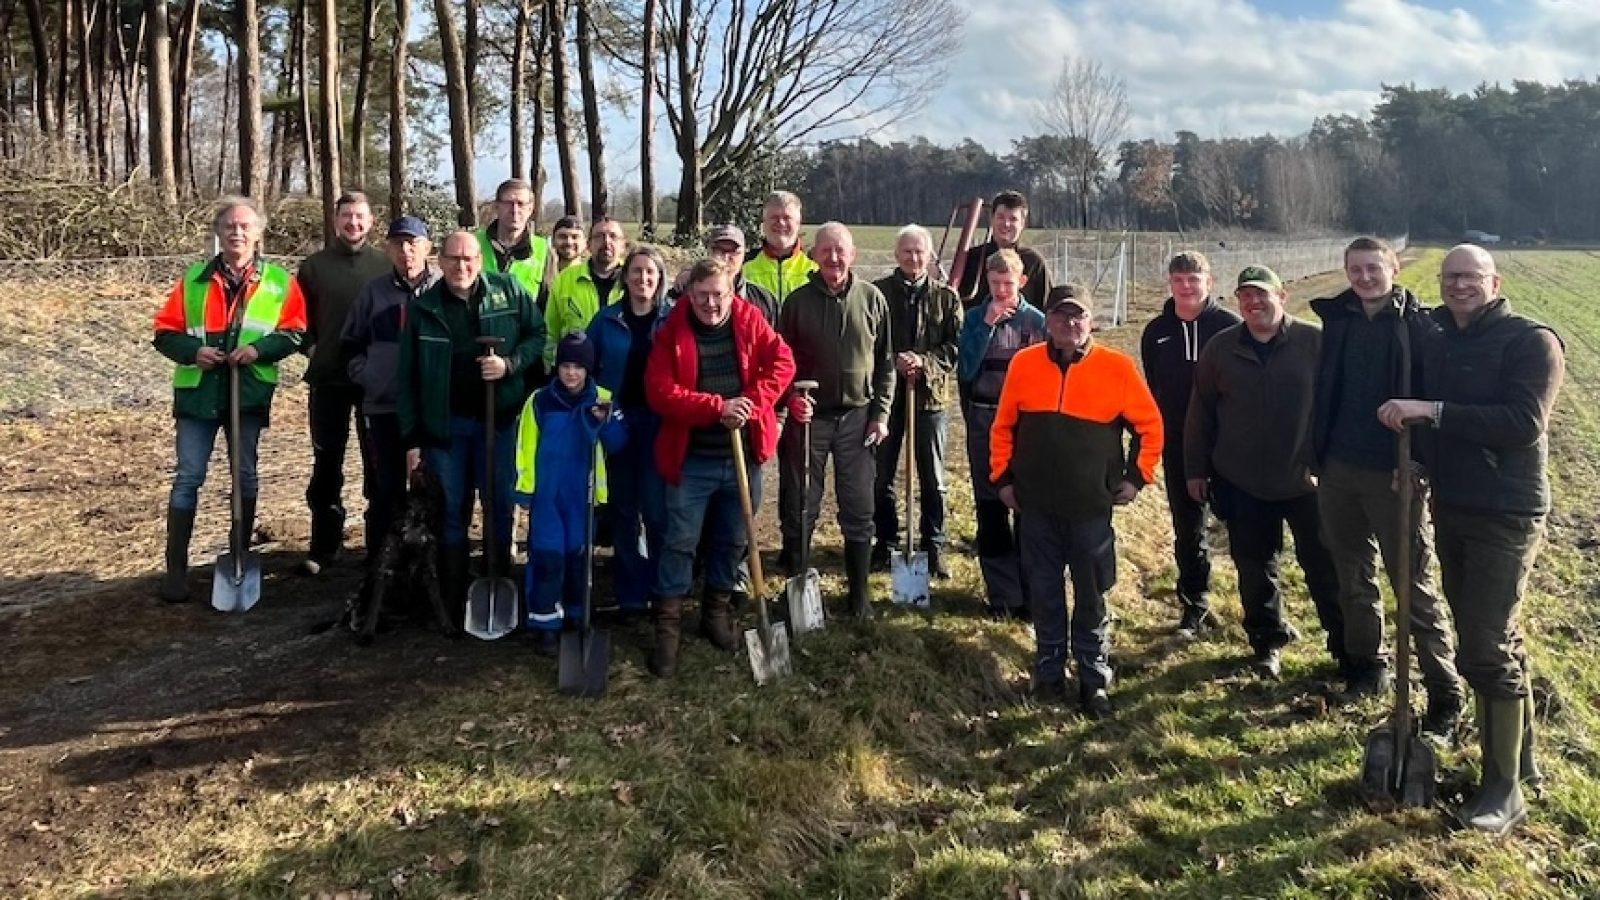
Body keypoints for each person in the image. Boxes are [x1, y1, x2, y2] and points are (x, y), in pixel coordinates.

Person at [1378, 244, 1565, 836]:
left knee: (1483, 647)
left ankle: (1503, 792)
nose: (1459, 286)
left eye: (1471, 277)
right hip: (1455, 506)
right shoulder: (1444, 339)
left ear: (1494, 281)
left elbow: (1522, 422)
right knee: (1490, 636)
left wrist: (1430, 410)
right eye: (1450, 276)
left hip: (1506, 510)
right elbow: (1441, 426)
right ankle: (1523, 762)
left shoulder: (1530, 342)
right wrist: (1419, 464)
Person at [1312, 236, 1463, 733]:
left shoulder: (1419, 327)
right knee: (1353, 576)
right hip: (1338, 470)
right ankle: (1367, 666)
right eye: (1355, 269)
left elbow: (1434, 400)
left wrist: (1418, 463)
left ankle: (1444, 691)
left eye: (1373, 268)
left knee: (1412, 583)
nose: (1364, 277)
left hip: (1395, 473)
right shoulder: (1337, 322)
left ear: (1394, 268)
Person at [990, 283, 1161, 717]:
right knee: (1045, 593)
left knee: (1092, 594)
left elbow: (1150, 426)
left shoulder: (1116, 369)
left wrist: (1137, 477)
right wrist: (1003, 480)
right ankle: (1048, 673)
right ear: (1046, 319)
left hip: (1089, 508)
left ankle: (1092, 677)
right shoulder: (1024, 365)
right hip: (1036, 506)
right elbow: (1003, 427)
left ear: (1091, 322)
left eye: (1078, 316)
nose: (1069, 323)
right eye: (1061, 315)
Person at [1185, 266, 1345, 679]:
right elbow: (1200, 412)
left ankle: (1346, 647)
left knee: (1324, 565)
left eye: (1262, 294)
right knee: (1255, 569)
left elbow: (1339, 406)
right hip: (1242, 480)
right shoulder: (1221, 349)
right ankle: (1266, 643)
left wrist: (1331, 463)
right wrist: (1196, 468)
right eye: (1245, 296)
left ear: (1282, 295)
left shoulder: (1314, 343)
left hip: (1306, 480)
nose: (1254, 303)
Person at [645, 258, 795, 676]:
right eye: (703, 295)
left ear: (732, 292)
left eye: (719, 295)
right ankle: (668, 632)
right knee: (680, 542)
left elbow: (783, 363)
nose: (712, 304)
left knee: (732, 541)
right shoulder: (672, 330)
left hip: (741, 459)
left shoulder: (750, 319)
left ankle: (715, 613)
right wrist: (717, 407)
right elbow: (660, 392)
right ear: (690, 294)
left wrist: (752, 402)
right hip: (693, 460)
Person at [153, 197, 307, 602]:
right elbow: (165, 332)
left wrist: (259, 350)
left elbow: (295, 331)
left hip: (248, 391)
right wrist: (193, 352)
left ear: (258, 233)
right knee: (188, 478)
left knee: (245, 475)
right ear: (218, 233)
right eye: (229, 227)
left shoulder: (279, 281)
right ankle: (176, 570)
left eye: (245, 227)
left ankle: (239, 554)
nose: (237, 233)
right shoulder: (193, 280)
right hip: (199, 395)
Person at [396, 230, 547, 613]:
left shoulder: (508, 291)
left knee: (498, 504)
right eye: (453, 259)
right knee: (450, 508)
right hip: (447, 428)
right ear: (440, 262)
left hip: (499, 423)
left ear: (480, 261)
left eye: (468, 259)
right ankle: (453, 592)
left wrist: (509, 365)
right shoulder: (423, 309)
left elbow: (537, 333)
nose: (461, 266)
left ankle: (497, 582)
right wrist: (413, 440)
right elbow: (407, 377)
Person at [777, 222, 895, 618]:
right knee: (802, 504)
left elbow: (886, 365)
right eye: (825, 250)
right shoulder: (796, 303)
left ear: (853, 254)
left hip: (858, 419)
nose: (833, 257)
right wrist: (793, 396)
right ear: (814, 254)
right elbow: (780, 364)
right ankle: (799, 592)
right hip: (810, 419)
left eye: (840, 250)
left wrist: (880, 414)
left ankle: (859, 596)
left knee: (859, 505)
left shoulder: (873, 299)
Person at [1139, 251, 1240, 637]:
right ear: (1170, 283)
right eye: (1179, 280)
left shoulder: (1228, 326)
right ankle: (1194, 606)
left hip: (1228, 442)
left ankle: (1262, 612)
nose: (1186, 287)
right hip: (1179, 444)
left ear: (1209, 282)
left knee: (1246, 528)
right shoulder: (1156, 332)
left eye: (1194, 280)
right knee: (1188, 528)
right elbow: (1155, 385)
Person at [341, 215, 440, 603]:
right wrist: (369, 376)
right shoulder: (373, 293)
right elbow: (351, 343)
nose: (406, 250)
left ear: (428, 247)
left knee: (432, 489)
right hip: (383, 408)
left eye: (413, 243)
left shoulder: (442, 291)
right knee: (384, 490)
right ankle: (379, 572)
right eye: (399, 243)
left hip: (432, 411)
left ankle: (432, 570)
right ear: (388, 249)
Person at [295, 191, 391, 575]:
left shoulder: (384, 265)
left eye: (360, 217)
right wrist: (312, 347)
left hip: (374, 384)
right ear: (336, 221)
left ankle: (376, 545)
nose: (353, 223)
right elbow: (297, 319)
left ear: (371, 222)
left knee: (377, 465)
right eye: (347, 216)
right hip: (329, 380)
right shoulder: (314, 267)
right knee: (327, 462)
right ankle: (324, 546)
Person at [514, 332, 627, 654]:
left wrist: (606, 423)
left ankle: (578, 615)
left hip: (583, 495)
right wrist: (525, 490)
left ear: (588, 369)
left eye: (578, 366)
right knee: (548, 556)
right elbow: (525, 447)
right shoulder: (539, 401)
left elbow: (619, 444)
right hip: (548, 496)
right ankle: (546, 621)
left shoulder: (602, 399)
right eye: (565, 365)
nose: (571, 373)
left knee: (578, 558)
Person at [957, 249, 1046, 619]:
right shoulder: (976, 318)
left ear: (1022, 282)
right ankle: (1002, 595)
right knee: (991, 507)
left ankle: (1031, 593)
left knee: (1028, 508)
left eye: (1008, 284)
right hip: (985, 419)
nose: (1001, 291)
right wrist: (986, 327)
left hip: (1026, 424)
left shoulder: (1037, 322)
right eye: (994, 285)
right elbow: (964, 369)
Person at [871, 224, 961, 579]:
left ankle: (933, 544)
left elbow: (954, 347)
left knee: (933, 477)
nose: (913, 257)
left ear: (929, 255)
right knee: (882, 475)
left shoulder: (946, 297)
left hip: (930, 400)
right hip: (888, 398)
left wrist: (925, 363)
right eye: (907, 251)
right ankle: (887, 541)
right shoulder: (877, 294)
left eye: (920, 251)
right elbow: (871, 343)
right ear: (896, 255)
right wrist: (894, 360)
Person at [587, 246, 672, 616]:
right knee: (622, 510)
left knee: (656, 510)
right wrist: (599, 407)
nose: (643, 279)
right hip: (618, 423)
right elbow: (584, 367)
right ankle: (630, 593)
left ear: (660, 278)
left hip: (659, 424)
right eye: (637, 272)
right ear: (625, 277)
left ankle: (659, 587)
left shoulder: (672, 320)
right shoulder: (606, 320)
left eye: (650, 273)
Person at [544, 217, 628, 367]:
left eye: (613, 236)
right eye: (599, 236)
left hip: (621, 373)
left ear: (623, 245)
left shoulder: (633, 279)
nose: (606, 241)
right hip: (575, 376)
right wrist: (551, 369)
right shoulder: (565, 279)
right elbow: (551, 332)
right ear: (588, 245)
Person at [956, 189, 1051, 311]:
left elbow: (1046, 308)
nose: (1006, 224)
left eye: (1013, 219)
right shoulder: (971, 258)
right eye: (1001, 217)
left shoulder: (1034, 262)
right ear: (992, 219)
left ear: (1022, 224)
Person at [670, 225, 779, 327]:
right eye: (720, 250)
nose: (726, 257)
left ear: (744, 254)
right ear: (709, 252)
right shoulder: (685, 292)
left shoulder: (764, 299)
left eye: (734, 251)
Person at [477, 178, 555, 302]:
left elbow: (549, 303)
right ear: (497, 207)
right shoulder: (473, 244)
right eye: (508, 203)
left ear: (530, 209)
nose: (515, 210)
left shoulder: (543, 250)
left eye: (520, 204)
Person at [743, 191, 819, 303]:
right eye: (774, 217)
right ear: (763, 223)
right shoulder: (744, 267)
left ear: (798, 223)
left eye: (787, 217)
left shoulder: (816, 268)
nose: (781, 223)